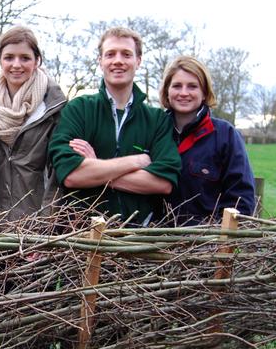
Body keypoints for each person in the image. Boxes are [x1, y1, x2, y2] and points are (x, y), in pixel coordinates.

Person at [48, 27, 181, 226]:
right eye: (110, 54)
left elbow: (163, 183)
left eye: (126, 54)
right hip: (81, 237)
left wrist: (95, 168)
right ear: (100, 61)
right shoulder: (78, 109)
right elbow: (71, 175)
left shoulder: (157, 120)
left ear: (138, 61)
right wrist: (137, 161)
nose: (118, 60)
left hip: (141, 237)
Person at [0, 26, 67, 220]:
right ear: (0, 60)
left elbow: (56, 178)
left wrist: (46, 225)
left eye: (25, 58)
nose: (16, 64)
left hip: (36, 227)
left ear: (36, 61)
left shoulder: (53, 109)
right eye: (9, 57)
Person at [159, 55, 255, 224]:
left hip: (206, 245)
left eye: (192, 86)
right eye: (177, 86)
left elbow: (241, 200)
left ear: (204, 92)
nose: (183, 93)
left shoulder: (226, 135)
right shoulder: (154, 131)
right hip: (150, 241)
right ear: (167, 91)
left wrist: (215, 241)